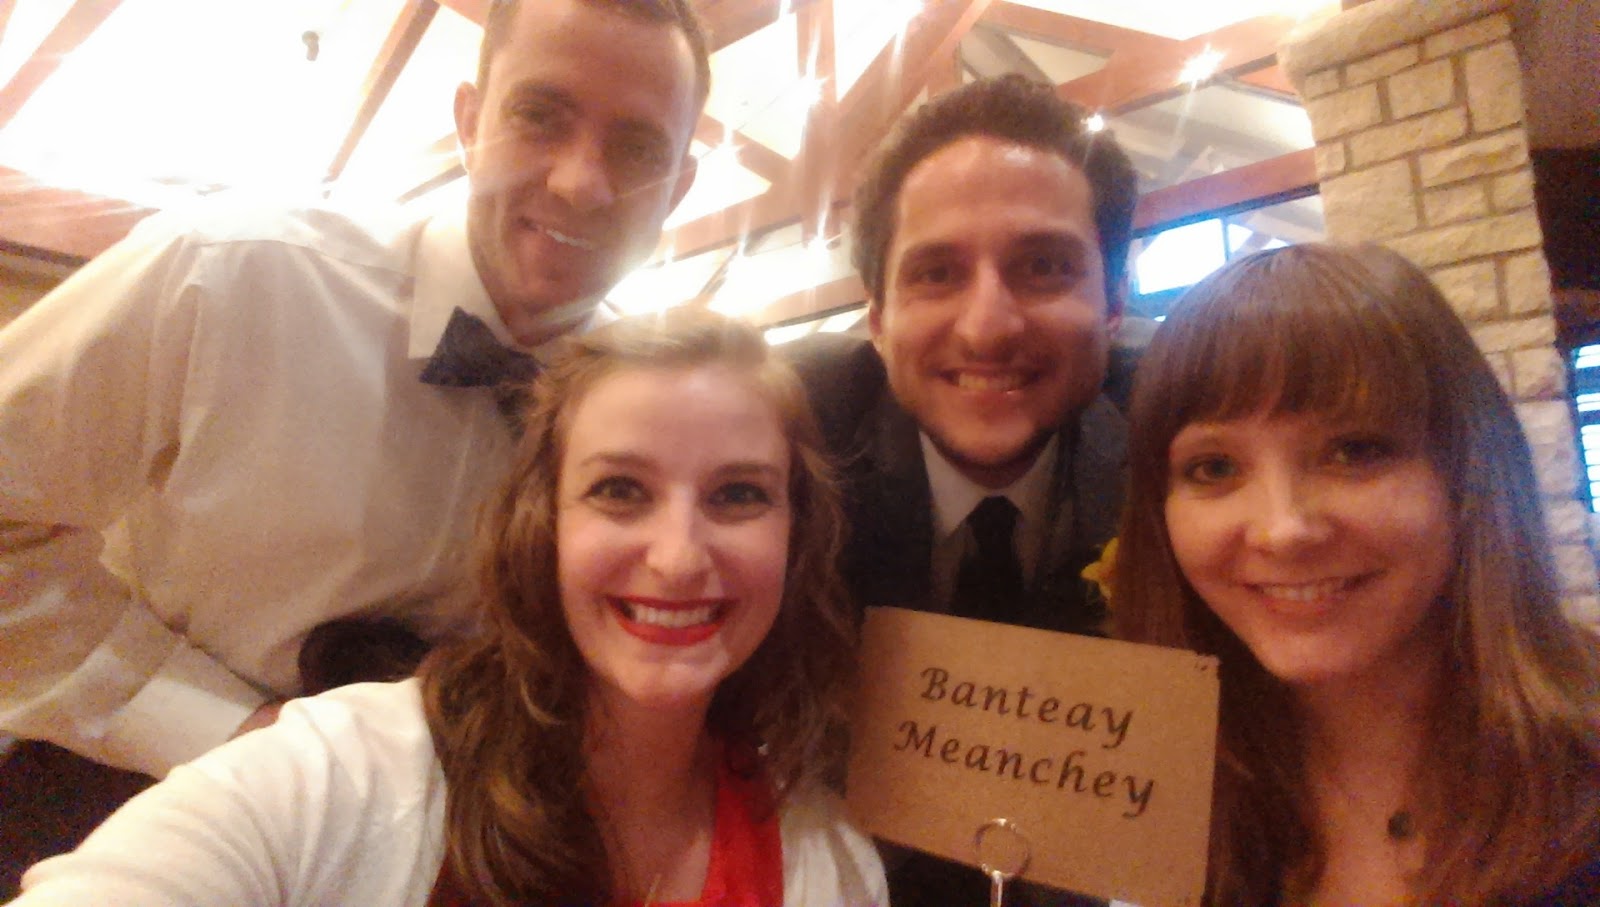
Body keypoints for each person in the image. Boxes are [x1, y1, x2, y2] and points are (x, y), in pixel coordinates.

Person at [0, 0, 707, 780]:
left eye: (638, 149)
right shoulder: (231, 272)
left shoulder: (659, 412)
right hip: (122, 782)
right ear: (471, 123)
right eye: (540, 117)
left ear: (677, 189)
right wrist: (217, 729)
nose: (580, 184)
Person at [12, 309, 888, 906]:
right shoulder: (347, 774)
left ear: (795, 533)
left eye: (739, 494)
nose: (679, 555)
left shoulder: (832, 864)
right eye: (620, 489)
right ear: (544, 525)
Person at [1111, 242, 1600, 906]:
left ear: (1467, 470)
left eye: (1354, 451)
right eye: (1215, 467)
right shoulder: (1162, 800)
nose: (1283, 529)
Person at [786, 74, 1138, 907]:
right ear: (876, 319)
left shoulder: (1182, 446)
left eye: (1044, 266)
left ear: (1115, 303)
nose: (988, 326)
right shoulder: (790, 445)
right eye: (937, 273)